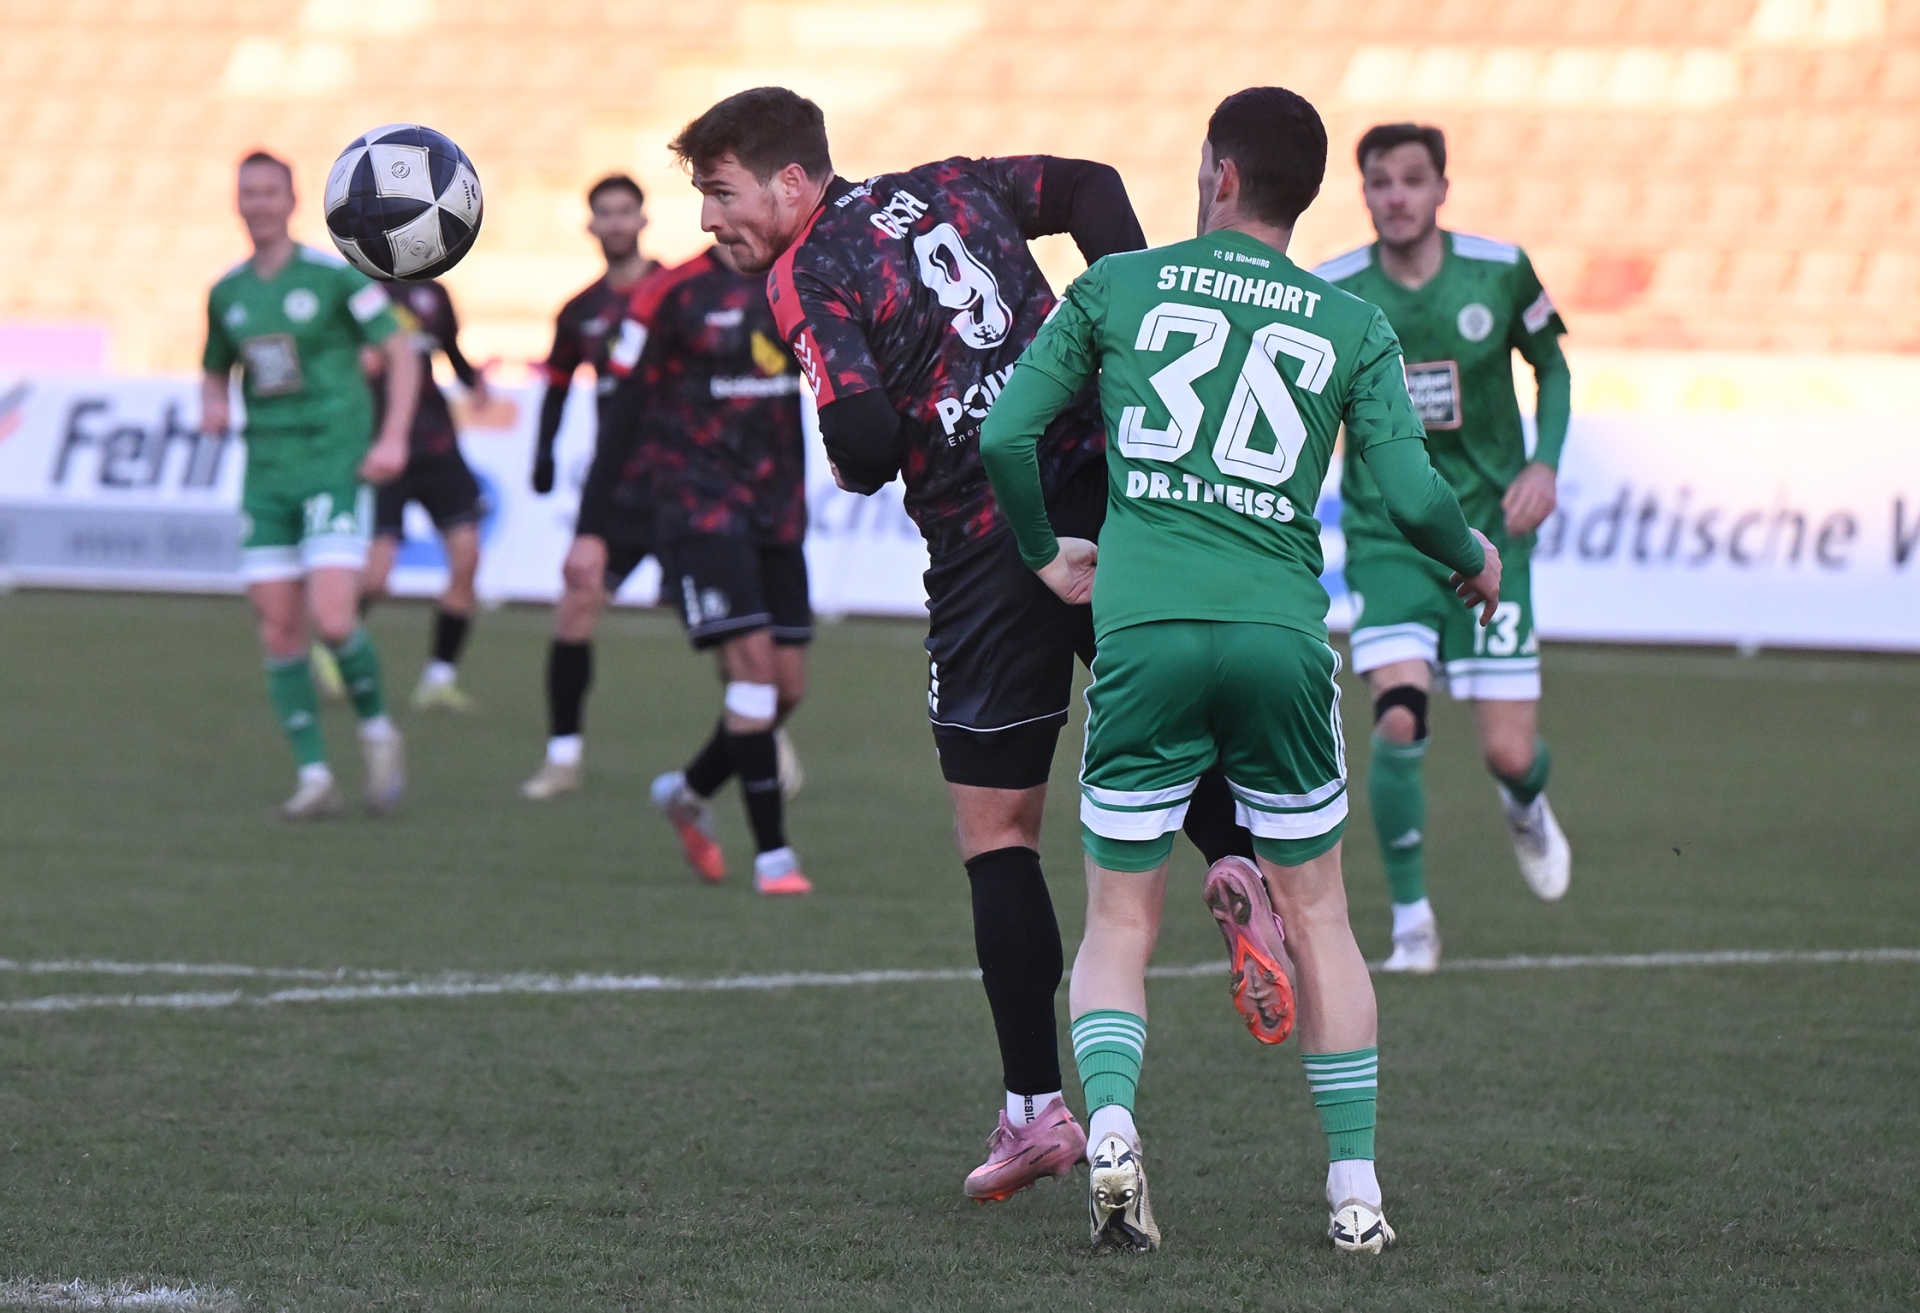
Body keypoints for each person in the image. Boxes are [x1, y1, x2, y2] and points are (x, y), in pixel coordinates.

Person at [667, 86, 1256, 1202]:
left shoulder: (805, 269)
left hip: (990, 543)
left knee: (999, 832)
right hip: (1103, 488)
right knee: (1158, 717)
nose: (709, 219)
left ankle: (1036, 1109)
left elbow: (861, 439)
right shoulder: (950, 183)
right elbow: (1090, 187)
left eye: (720, 192)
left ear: (790, 182)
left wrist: (871, 448)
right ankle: (1242, 864)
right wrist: (1124, 316)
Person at [980, 87, 1501, 1253]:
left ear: (1218, 173)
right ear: (1305, 193)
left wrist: (1045, 550)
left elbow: (1006, 434)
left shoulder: (1118, 285)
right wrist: (1474, 557)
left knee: (1120, 916)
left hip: (1144, 633)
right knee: (1320, 911)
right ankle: (1355, 1192)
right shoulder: (1352, 321)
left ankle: (1115, 1131)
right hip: (1278, 637)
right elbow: (1412, 495)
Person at [1315, 123, 1573, 974]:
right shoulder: (1334, 291)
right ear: (1364, 193)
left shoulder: (1499, 271)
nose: (1396, 196)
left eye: (1411, 180)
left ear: (1441, 190)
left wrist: (1545, 463)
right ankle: (1413, 923)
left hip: (1494, 533)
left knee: (1508, 751)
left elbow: (1553, 366)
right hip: (1389, 537)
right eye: (1380, 182)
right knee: (1398, 716)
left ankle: (1525, 799)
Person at [582, 242, 814, 895]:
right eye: (719, 196)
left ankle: (686, 793)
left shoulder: (800, 276)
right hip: (699, 506)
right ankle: (775, 859)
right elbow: (620, 411)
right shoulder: (670, 293)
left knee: (786, 688)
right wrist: (591, 527)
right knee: (754, 674)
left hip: (778, 509)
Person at [200, 150, 414, 819]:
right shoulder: (227, 293)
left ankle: (377, 730)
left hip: (332, 462)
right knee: (279, 631)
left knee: (334, 618)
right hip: (267, 472)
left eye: (271, 191)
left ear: (292, 201)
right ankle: (315, 776)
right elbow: (215, 368)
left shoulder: (334, 277)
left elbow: (402, 350)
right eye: (250, 192)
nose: (260, 203)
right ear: (238, 202)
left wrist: (392, 437)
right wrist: (213, 403)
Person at [520, 175, 662, 799]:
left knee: (733, 635)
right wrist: (543, 453)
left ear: (643, 219)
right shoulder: (580, 311)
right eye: (605, 213)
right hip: (617, 491)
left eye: (625, 211)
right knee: (575, 606)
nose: (616, 222)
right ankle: (563, 758)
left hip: (686, 484)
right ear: (591, 225)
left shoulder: (675, 292)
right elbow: (556, 388)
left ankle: (766, 737)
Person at [359, 278, 490, 712]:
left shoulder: (434, 293)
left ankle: (440, 677)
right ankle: (335, 637)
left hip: (438, 447)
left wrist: (473, 382)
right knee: (377, 577)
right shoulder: (356, 292)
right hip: (382, 448)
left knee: (467, 559)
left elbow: (449, 349)